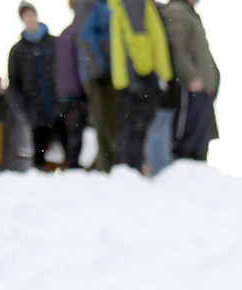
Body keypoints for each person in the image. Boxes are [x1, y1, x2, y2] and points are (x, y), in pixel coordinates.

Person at [109, 0, 171, 172]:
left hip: (130, 76)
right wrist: (147, 71)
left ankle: (127, 169)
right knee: (137, 128)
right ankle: (131, 170)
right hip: (139, 76)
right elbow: (138, 39)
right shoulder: (134, 2)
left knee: (130, 126)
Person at [8, 3, 63, 170]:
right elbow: (14, 85)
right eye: (26, 15)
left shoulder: (54, 43)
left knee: (67, 152)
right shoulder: (17, 51)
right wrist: (24, 109)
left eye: (32, 14)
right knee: (39, 158)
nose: (30, 18)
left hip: (59, 108)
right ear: (22, 19)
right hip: (35, 112)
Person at [161, 0, 217, 163]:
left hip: (201, 88)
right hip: (190, 88)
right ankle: (183, 171)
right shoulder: (177, 11)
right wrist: (190, 77)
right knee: (187, 139)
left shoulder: (188, 11)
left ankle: (194, 173)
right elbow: (177, 48)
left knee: (200, 137)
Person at [75, 0, 116, 171]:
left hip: (112, 72)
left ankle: (104, 164)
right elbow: (85, 36)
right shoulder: (87, 4)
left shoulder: (107, 4)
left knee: (112, 120)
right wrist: (99, 67)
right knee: (104, 121)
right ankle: (105, 167)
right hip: (99, 75)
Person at [54, 1, 91, 168]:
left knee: (70, 131)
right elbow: (81, 62)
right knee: (76, 131)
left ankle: (71, 161)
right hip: (76, 91)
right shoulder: (80, 31)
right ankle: (73, 164)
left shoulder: (65, 33)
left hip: (63, 92)